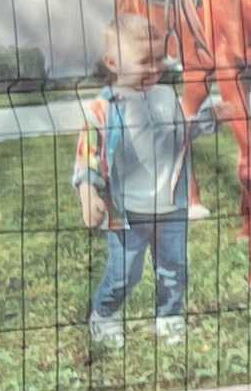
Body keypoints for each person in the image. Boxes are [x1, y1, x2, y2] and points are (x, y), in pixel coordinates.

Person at [72, 20, 208, 355]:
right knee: (124, 273)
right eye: (145, 61)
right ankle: (104, 315)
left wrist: (209, 120)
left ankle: (168, 317)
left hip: (170, 206)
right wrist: (89, 193)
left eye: (160, 59)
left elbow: (179, 135)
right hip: (124, 211)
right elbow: (88, 155)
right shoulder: (101, 109)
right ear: (114, 63)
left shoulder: (165, 96)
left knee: (174, 269)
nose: (155, 68)